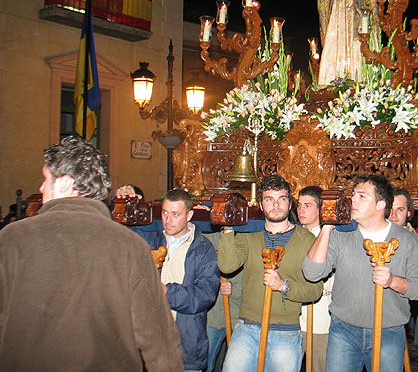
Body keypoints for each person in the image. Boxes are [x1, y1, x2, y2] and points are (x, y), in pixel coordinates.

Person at [0, 136, 183, 371]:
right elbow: (158, 339)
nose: (41, 188)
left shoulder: (12, 240)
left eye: (46, 179)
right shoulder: (130, 246)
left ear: (65, 183)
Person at [303, 174, 418, 372]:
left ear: (381, 204)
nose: (353, 200)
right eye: (353, 195)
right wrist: (327, 227)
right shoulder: (342, 235)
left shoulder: (406, 240)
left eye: (362, 196)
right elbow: (311, 272)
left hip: (388, 332)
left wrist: (394, 281)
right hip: (343, 330)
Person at [217, 175, 323, 372]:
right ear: (260, 205)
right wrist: (227, 227)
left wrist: (284, 286)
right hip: (247, 328)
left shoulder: (307, 240)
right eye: (269, 199)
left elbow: (315, 290)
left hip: (285, 330)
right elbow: (227, 266)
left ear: (290, 204)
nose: (275, 205)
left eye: (281, 199)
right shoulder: (249, 237)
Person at [117, 185, 220, 372]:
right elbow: (120, 230)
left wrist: (166, 292)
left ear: (189, 216)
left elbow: (205, 295)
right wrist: (125, 201)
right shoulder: (151, 239)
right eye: (164, 213)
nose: (167, 220)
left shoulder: (203, 249)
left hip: (186, 346)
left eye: (175, 214)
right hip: (150, 344)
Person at [297, 185, 333, 372]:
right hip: (294, 322)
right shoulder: (293, 235)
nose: (301, 210)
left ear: (321, 209)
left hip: (321, 322)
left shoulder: (331, 237)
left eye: (308, 205)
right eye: (299, 205)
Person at [203, 231, 243, 372]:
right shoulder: (207, 238)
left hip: (238, 319)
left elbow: (256, 280)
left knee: (235, 366)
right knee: (206, 364)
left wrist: (235, 289)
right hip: (212, 317)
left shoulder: (246, 238)